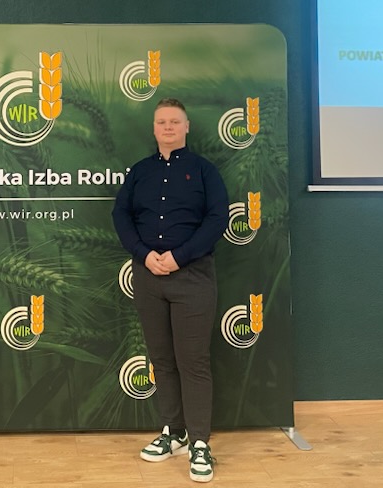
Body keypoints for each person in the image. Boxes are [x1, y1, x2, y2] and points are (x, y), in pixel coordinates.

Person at [112, 98, 229, 483]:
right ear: (154, 128)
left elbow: (217, 218)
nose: (167, 127)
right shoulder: (140, 172)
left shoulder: (205, 171)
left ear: (186, 126)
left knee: (192, 361)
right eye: (161, 122)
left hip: (192, 276)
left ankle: (200, 442)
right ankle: (173, 432)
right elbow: (121, 214)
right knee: (161, 359)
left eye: (174, 122)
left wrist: (180, 256)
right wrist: (143, 254)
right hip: (148, 276)